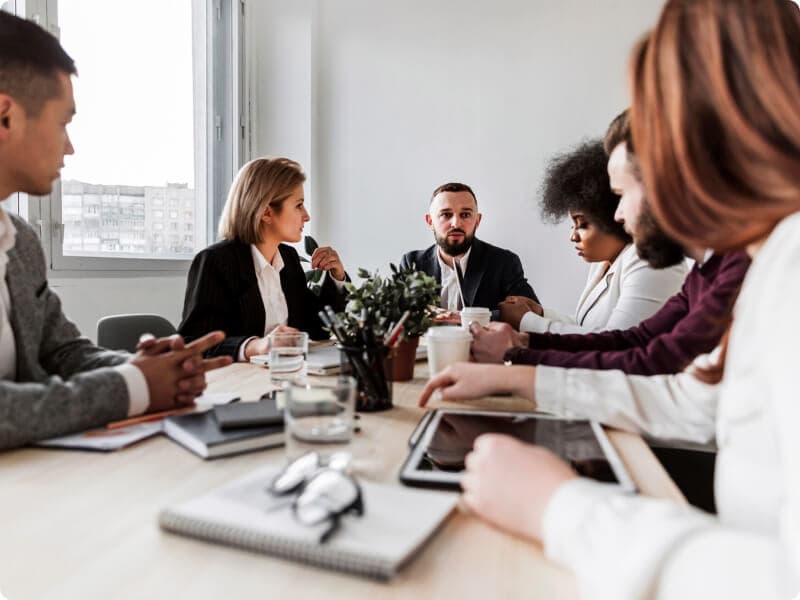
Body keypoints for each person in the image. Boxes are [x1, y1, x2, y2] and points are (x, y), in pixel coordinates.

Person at [421, 1, 800, 596]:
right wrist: (521, 375)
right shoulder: (764, 256)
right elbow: (688, 397)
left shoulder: (787, 266)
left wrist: (559, 507)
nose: (620, 211)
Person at [0, 12, 230, 450]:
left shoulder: (21, 243)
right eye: (63, 122)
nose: (70, 146)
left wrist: (145, 368)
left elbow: (65, 353)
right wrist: (133, 386)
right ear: (6, 116)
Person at [472, 111, 751, 376]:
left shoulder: (734, 267)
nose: (617, 213)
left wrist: (519, 353)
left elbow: (646, 360)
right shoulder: (705, 273)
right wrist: (524, 342)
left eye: (622, 194)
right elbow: (633, 341)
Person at [499, 138, 686, 334]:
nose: (573, 236)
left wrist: (527, 322)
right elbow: (586, 327)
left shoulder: (649, 260)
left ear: (609, 214)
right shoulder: (604, 263)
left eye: (582, 225)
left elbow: (618, 341)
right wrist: (542, 314)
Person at [179, 157, 349, 360]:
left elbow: (316, 328)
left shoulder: (288, 258)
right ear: (267, 212)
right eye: (299, 205)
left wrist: (337, 278)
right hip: (240, 384)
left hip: (286, 377)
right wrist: (255, 346)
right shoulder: (216, 262)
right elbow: (194, 343)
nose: (306, 216)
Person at [400, 182, 538, 319]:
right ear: (430, 221)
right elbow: (397, 311)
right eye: (446, 215)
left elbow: (531, 313)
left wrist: (465, 317)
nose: (456, 223)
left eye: (465, 215)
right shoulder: (412, 263)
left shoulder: (504, 262)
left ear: (477, 220)